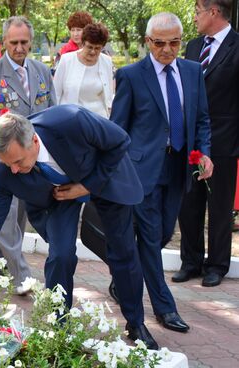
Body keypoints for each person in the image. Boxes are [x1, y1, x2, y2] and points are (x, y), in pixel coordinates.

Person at [0, 106, 158, 349]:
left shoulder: (71, 121)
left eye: (17, 161)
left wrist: (88, 185)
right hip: (57, 197)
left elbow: (120, 141)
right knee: (60, 255)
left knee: (123, 252)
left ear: (34, 141)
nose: (13, 170)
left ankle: (135, 323)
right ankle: (59, 326)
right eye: (8, 164)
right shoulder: (4, 169)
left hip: (102, 177)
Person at [110, 12, 213, 334]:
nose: (167, 49)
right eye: (159, 43)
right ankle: (164, 309)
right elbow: (118, 128)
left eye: (174, 43)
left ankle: (121, 279)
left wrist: (205, 152)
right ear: (147, 42)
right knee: (152, 240)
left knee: (163, 234)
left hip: (180, 168)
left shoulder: (194, 72)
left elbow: (202, 120)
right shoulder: (131, 75)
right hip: (143, 171)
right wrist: (117, 172)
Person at [0, 16, 55, 294]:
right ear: (4, 41)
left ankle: (2, 264)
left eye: (24, 42)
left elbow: (52, 115)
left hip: (33, 162)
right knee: (6, 222)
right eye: (14, 42)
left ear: (30, 41)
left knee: (19, 219)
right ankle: (23, 278)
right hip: (3, 166)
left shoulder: (43, 72)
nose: (19, 48)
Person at [176, 0, 239, 287]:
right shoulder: (192, 46)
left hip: (225, 142)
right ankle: (190, 261)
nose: (195, 17)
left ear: (214, 12)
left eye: (198, 12)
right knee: (189, 202)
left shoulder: (236, 46)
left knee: (220, 205)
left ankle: (216, 265)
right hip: (192, 142)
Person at [54, 23, 114, 118]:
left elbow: (109, 93)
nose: (93, 51)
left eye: (97, 48)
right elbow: (56, 93)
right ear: (83, 43)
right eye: (89, 47)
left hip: (99, 119)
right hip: (71, 119)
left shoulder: (107, 61)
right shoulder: (66, 60)